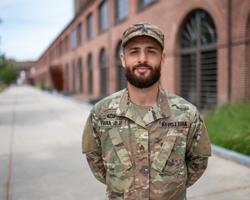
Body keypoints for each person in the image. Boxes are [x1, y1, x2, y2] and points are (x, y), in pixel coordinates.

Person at [82, 22, 211, 200]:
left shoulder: (187, 113)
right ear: (123, 59)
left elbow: (198, 163)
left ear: (162, 58)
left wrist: (168, 190)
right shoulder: (101, 113)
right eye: (134, 51)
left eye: (151, 51)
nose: (142, 59)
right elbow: (96, 162)